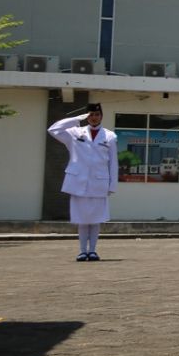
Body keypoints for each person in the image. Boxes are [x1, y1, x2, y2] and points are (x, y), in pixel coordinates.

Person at [48, 103, 118, 261]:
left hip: (99, 182)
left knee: (95, 219)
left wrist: (112, 185)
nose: (94, 117)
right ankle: (82, 250)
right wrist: (76, 119)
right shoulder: (75, 133)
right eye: (91, 114)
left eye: (97, 114)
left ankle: (92, 250)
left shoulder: (110, 136)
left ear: (101, 116)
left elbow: (113, 162)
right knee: (82, 219)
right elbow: (53, 129)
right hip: (78, 182)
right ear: (87, 116)